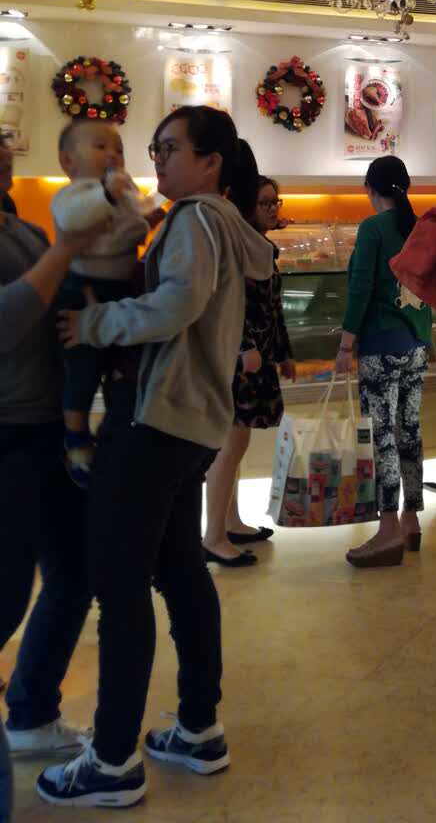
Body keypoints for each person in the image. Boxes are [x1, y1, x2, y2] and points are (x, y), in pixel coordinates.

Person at [38, 107, 274, 809]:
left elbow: (176, 305)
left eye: (170, 148)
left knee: (119, 584)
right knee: (179, 571)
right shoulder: (220, 223)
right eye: (155, 147)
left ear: (211, 162)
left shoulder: (195, 221)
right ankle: (199, 728)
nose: (157, 159)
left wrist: (95, 322)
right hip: (192, 421)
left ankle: (112, 760)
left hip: (155, 420)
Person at [0, 131, 103, 780]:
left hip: (48, 430)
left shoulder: (24, 230)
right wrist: (66, 248)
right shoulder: (44, 238)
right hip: (9, 434)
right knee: (8, 591)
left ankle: (32, 713)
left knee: (72, 573)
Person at [335, 156, 432, 569]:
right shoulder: (420, 227)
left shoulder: (372, 228)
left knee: (383, 436)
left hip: (381, 346)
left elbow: (360, 287)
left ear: (370, 189)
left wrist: (346, 344)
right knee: (409, 429)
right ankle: (412, 518)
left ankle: (388, 526)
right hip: (417, 344)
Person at [51, 120, 154, 486]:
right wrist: (108, 197)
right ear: (68, 161)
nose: (113, 155)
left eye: (119, 149)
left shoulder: (123, 192)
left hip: (122, 289)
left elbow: (134, 224)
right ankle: (76, 437)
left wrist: (146, 215)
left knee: (122, 364)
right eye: (100, 146)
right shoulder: (73, 194)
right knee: (82, 367)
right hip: (82, 289)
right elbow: (74, 221)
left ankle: (117, 428)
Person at [202, 176, 296, 567]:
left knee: (236, 444)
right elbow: (229, 303)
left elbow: (273, 308)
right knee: (231, 444)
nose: (273, 209)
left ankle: (231, 522)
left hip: (256, 357)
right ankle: (214, 535)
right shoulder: (241, 248)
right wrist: (245, 347)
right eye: (264, 203)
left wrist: (283, 353)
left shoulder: (258, 246)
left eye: (275, 202)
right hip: (240, 361)